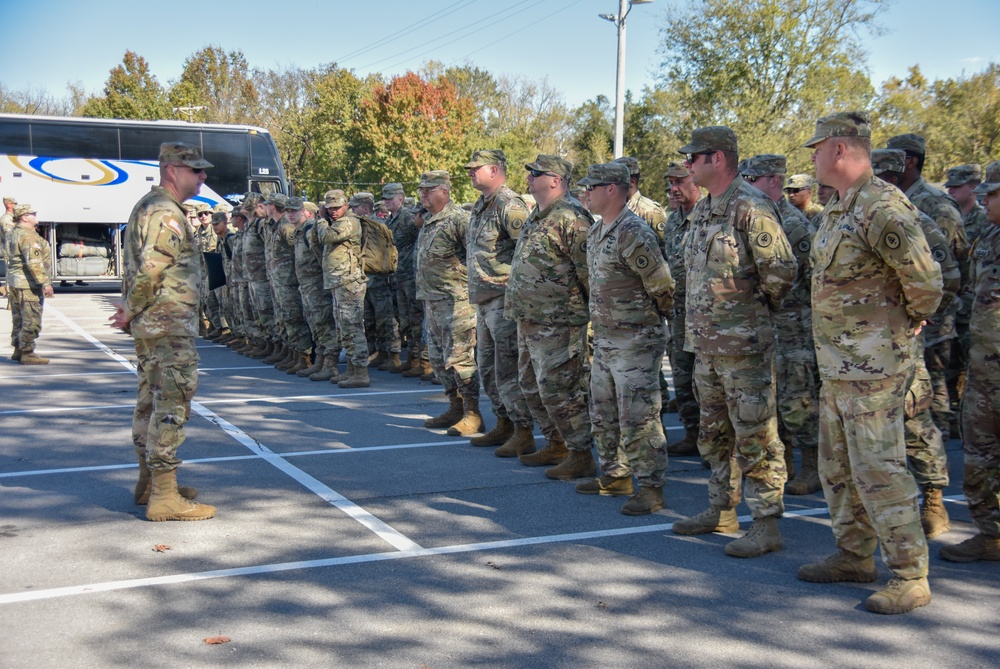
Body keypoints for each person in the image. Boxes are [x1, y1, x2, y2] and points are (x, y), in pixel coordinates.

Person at [798, 111, 943, 614]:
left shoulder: (881, 204)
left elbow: (925, 282)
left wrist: (908, 324)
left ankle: (909, 574)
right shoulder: (839, 208)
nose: (812, 156)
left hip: (876, 368)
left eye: (817, 148)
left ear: (840, 149)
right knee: (837, 468)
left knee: (879, 470)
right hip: (838, 367)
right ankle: (853, 555)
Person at [671, 127, 797, 559]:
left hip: (743, 348)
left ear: (718, 159)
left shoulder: (750, 207)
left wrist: (750, 314)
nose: (688, 166)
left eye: (694, 158)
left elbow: (780, 272)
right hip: (706, 347)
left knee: (756, 436)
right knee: (713, 435)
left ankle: (766, 523)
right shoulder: (705, 209)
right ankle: (721, 509)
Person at [109, 142, 217, 522]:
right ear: (172, 169)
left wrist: (131, 310)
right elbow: (152, 269)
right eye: (196, 170)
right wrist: (130, 310)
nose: (203, 176)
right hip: (166, 323)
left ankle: (149, 484)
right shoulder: (165, 211)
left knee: (150, 401)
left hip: (156, 324)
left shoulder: (148, 206)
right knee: (172, 402)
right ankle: (165, 495)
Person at [576, 162, 675, 514]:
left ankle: (650, 488)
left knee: (638, 417)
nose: (585, 193)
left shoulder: (633, 231)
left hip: (635, 341)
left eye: (592, 186)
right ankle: (615, 476)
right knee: (603, 413)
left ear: (612, 189)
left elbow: (663, 286)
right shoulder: (597, 231)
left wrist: (649, 326)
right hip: (605, 340)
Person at [871, 148, 960, 539]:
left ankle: (934, 500)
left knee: (916, 421)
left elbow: (950, 274)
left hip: (905, 341)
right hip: (863, 346)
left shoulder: (917, 217)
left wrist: (920, 315)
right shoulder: (856, 214)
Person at [506, 155, 595, 478]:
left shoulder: (573, 217)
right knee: (531, 386)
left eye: (536, 173)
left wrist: (588, 321)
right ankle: (557, 443)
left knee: (561, 389)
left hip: (559, 321)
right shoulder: (538, 214)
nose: (528, 176)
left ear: (555, 179)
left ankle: (580, 452)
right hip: (530, 319)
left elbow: (589, 274)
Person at [742, 154, 822, 496]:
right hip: (767, 327)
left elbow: (814, 277)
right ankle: (784, 462)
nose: (746, 186)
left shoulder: (795, 224)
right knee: (772, 401)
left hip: (795, 327)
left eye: (753, 180)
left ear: (773, 180)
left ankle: (813, 466)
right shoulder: (758, 217)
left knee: (799, 400)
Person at [886, 133, 969, 440]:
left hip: (934, 318)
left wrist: (933, 308)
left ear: (909, 161)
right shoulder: (890, 200)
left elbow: (954, 265)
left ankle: (942, 476)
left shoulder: (935, 204)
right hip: (903, 318)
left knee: (932, 393)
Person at [940, 160, 1000, 563]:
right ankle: (991, 533)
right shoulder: (991, 236)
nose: (984, 198)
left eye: (991, 193)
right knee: (979, 454)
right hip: (984, 366)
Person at [463, 150, 536, 456]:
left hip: (503, 299)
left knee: (507, 370)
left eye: (475, 168)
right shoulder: (482, 205)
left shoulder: (509, 204)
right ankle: (503, 423)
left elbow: (528, 249)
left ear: (493, 170)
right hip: (483, 301)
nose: (470, 172)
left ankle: (523, 430)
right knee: (488, 368)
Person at [414, 171, 482, 435]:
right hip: (433, 301)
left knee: (460, 358)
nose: (423, 195)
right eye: (421, 191)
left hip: (457, 302)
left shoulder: (459, 219)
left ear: (444, 191)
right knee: (439, 359)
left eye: (428, 190)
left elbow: (474, 259)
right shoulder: (430, 221)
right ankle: (455, 407)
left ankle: (472, 413)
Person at [662, 161, 702, 455]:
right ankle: (692, 433)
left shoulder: (708, 216)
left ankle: (715, 443)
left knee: (708, 383)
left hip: (706, 315)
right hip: (678, 314)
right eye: (671, 184)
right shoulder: (673, 220)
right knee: (682, 376)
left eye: (680, 182)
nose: (674, 189)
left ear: (695, 182)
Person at [316, 189, 370, 388]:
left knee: (353, 327)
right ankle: (351, 369)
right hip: (339, 282)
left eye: (337, 207)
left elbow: (326, 236)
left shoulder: (349, 221)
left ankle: (361, 372)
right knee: (343, 328)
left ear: (345, 205)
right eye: (329, 208)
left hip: (349, 282)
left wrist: (321, 219)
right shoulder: (340, 221)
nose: (332, 211)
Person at [351, 192, 402, 371]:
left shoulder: (377, 225)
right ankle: (378, 351)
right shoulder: (358, 225)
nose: (352, 210)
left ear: (365, 208)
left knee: (386, 318)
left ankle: (394, 354)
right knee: (369, 318)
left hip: (379, 278)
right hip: (365, 277)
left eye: (355, 207)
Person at [5, 203, 54, 364]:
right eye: (33, 214)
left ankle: (18, 349)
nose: (36, 217)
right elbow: (34, 262)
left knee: (18, 317)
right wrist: (45, 283)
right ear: (25, 217)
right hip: (28, 284)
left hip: (14, 281)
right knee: (31, 318)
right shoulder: (28, 236)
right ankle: (27, 353)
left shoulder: (13, 233)